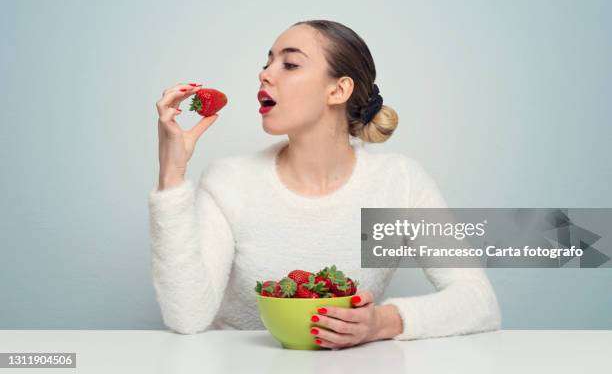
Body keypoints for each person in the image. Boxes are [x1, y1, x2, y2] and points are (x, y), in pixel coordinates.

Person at [148, 19, 501, 349]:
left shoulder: (399, 181)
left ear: (338, 89)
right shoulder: (229, 180)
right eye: (267, 62)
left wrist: (382, 323)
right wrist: (172, 174)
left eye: (290, 64)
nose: (264, 73)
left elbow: (479, 302)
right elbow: (188, 318)